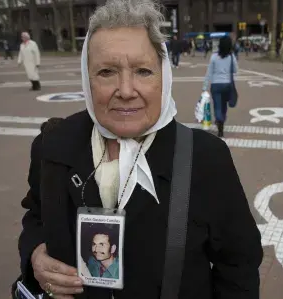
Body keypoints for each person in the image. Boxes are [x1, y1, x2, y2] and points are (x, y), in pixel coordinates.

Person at [16, 0, 263, 298]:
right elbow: (36, 217)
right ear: (87, 79)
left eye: (143, 71)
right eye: (107, 71)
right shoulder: (52, 145)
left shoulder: (206, 159)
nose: (126, 90)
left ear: (164, 77)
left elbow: (238, 265)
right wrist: (35, 254)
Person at [202, 36, 238, 137]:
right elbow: (235, 69)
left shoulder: (214, 56)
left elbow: (209, 72)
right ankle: (222, 120)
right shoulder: (231, 56)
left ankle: (219, 121)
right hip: (227, 84)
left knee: (217, 105)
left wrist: (204, 86)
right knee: (224, 105)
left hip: (215, 85)